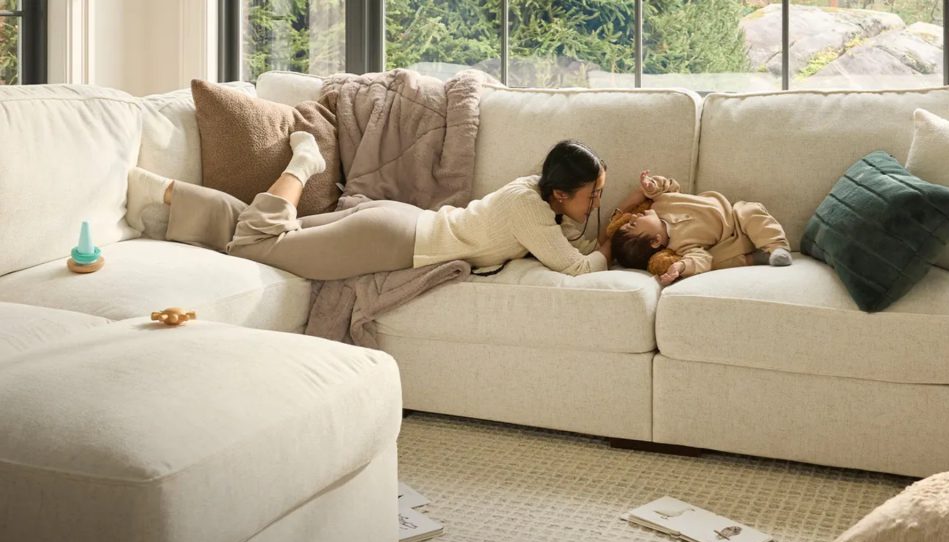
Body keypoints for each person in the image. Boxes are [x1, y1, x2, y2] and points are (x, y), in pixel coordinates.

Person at [126, 136, 612, 280]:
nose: (596, 204)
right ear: (559, 194)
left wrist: (624, 206)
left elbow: (565, 235)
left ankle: (163, 192)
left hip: (396, 222)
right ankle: (304, 162)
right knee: (257, 244)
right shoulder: (530, 212)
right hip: (391, 240)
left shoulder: (531, 192)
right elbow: (575, 264)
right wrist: (610, 243)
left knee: (253, 228)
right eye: (593, 195)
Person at [610, 170, 791, 286]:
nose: (634, 215)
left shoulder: (659, 203)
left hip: (733, 213)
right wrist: (680, 266)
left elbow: (672, 186)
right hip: (731, 241)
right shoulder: (680, 247)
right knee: (713, 261)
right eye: (633, 224)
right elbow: (700, 259)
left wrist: (653, 186)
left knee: (751, 211)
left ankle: (777, 247)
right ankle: (756, 258)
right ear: (656, 241)